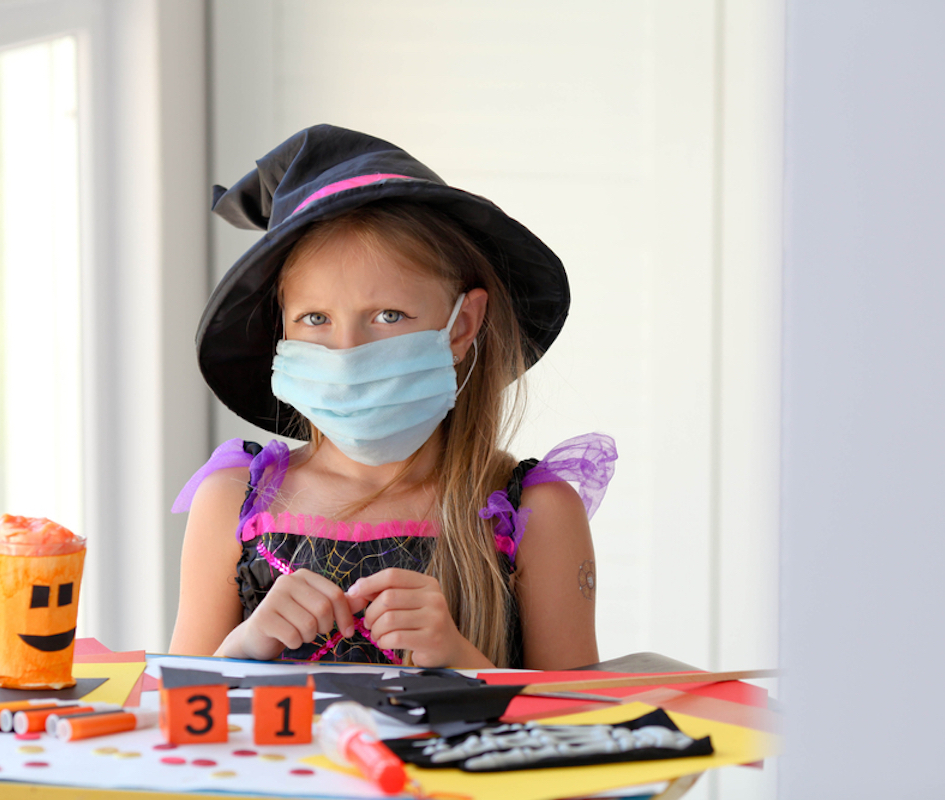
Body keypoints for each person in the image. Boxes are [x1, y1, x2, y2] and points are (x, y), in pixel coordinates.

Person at [169, 125, 616, 670]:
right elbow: (176, 704)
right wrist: (240, 650)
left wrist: (464, 663)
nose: (347, 352)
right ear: (281, 329)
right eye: (315, 318)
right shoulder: (233, 501)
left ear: (462, 325)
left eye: (388, 316)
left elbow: (576, 715)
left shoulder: (536, 514)